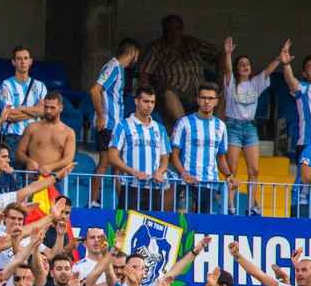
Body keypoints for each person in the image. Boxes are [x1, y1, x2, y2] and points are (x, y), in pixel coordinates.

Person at [220, 37, 285, 214]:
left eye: (247, 64)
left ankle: (250, 206)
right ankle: (230, 206)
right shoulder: (231, 83)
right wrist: (228, 54)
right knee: (232, 169)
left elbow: (268, 71)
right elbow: (227, 70)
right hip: (233, 127)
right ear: (237, 68)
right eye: (241, 64)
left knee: (254, 170)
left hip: (250, 128)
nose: (245, 66)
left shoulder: (255, 83)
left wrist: (279, 59)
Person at [138, 15, 220, 122]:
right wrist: (147, 95)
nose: (174, 32)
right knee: (168, 92)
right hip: (175, 91)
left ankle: (216, 127)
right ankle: (184, 126)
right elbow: (144, 73)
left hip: (200, 89)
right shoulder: (157, 47)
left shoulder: (192, 43)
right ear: (164, 31)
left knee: (224, 91)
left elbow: (218, 55)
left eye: (177, 28)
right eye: (170, 29)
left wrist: (222, 74)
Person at [90, 38, 142, 205]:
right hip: (108, 124)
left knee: (117, 166)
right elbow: (95, 90)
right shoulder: (113, 67)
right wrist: (101, 116)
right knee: (105, 162)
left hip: (116, 126)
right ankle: (93, 202)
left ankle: (123, 204)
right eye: (137, 55)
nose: (137, 59)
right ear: (133, 52)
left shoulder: (119, 69)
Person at [170, 82, 234, 213]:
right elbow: (174, 155)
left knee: (204, 223)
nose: (206, 101)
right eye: (203, 98)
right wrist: (184, 174)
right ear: (198, 100)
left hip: (210, 184)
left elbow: (221, 157)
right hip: (186, 183)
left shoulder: (221, 126)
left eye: (210, 98)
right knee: (184, 222)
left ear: (216, 101)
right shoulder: (184, 123)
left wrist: (229, 175)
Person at [108, 86, 171, 210]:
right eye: (146, 101)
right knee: (127, 222)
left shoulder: (160, 128)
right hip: (131, 186)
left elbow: (165, 159)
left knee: (153, 222)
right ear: (136, 101)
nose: (149, 105)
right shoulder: (123, 125)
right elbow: (112, 157)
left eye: (152, 102)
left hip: (154, 187)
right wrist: (133, 172)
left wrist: (160, 172)